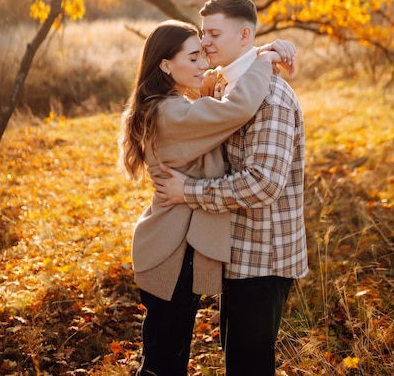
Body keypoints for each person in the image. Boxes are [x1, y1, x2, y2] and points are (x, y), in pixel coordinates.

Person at [118, 19, 295, 376]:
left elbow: (210, 98)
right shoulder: (171, 112)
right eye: (195, 58)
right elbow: (234, 110)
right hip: (171, 252)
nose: (205, 65)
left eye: (204, 56)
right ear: (166, 65)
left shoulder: (170, 103)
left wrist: (246, 59)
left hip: (172, 246)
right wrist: (261, 61)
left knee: (166, 354)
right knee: (163, 363)